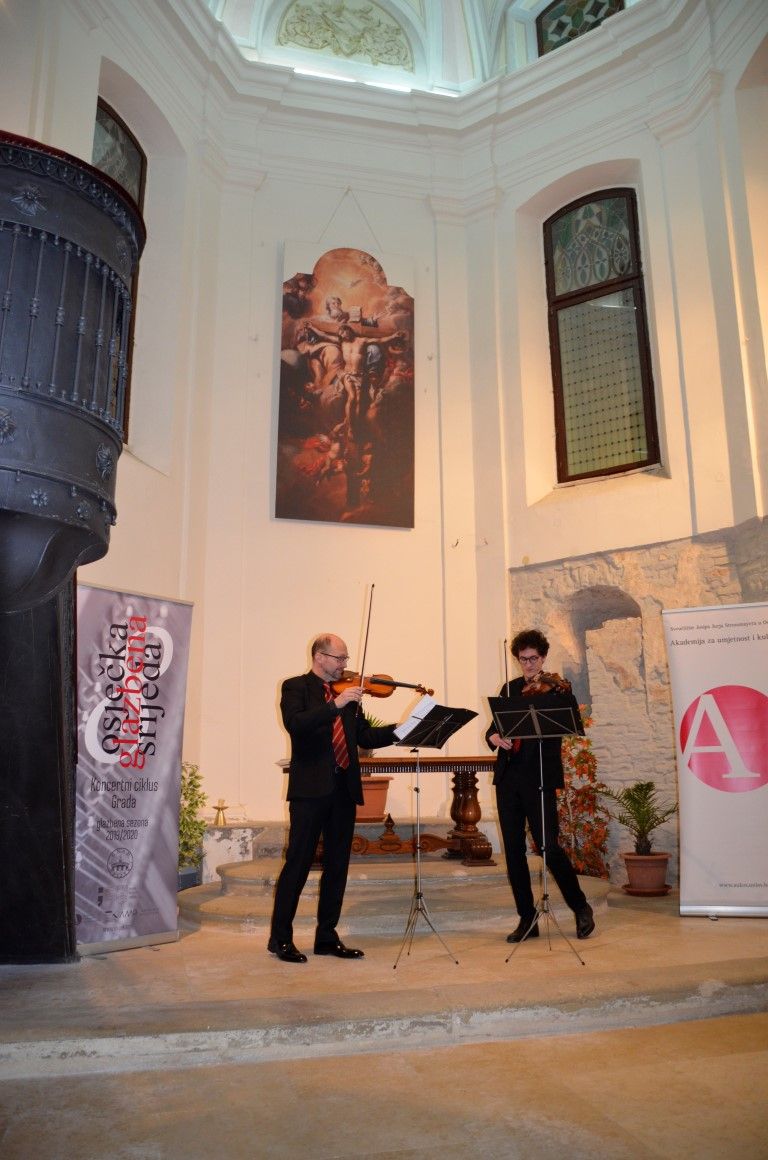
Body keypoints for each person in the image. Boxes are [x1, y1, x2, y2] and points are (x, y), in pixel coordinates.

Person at [268, 634, 397, 963]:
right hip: (310, 791)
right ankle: (280, 938)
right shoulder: (296, 687)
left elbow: (365, 735)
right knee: (298, 864)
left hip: (343, 789)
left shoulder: (349, 695)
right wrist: (334, 705)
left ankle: (326, 936)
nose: (344, 665)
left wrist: (400, 730)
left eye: (345, 659)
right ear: (319, 657)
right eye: (339, 658)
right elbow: (296, 724)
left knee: (338, 866)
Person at [486, 629, 595, 943]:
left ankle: (581, 907)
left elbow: (569, 720)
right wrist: (495, 737)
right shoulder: (509, 689)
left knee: (549, 847)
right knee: (514, 852)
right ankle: (527, 918)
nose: (529, 665)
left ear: (543, 657)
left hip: (540, 777)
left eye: (533, 658)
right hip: (508, 779)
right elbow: (492, 730)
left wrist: (562, 693)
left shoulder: (556, 690)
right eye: (523, 659)